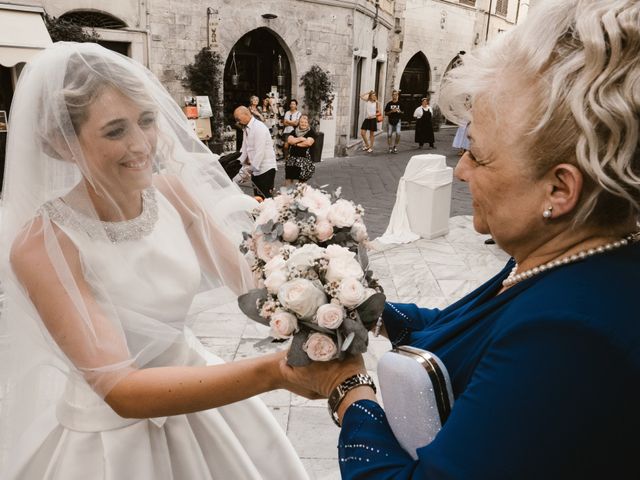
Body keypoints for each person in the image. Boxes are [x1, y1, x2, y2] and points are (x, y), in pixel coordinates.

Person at [281, 0, 640, 478]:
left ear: (559, 189)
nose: (463, 171)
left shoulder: (571, 334)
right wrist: (367, 308)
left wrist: (347, 389)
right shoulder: (567, 257)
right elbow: (467, 330)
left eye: (479, 155)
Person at [0, 42, 310, 479]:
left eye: (146, 121)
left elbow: (250, 283)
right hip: (113, 442)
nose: (140, 144)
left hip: (203, 399)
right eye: (114, 131)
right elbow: (121, 389)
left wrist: (321, 291)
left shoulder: (170, 193)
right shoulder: (42, 244)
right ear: (62, 144)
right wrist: (275, 372)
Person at [234, 105, 278, 199]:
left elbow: (260, 152)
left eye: (238, 118)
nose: (237, 121)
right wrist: (236, 164)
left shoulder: (259, 127)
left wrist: (250, 170)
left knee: (266, 198)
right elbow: (244, 149)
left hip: (266, 168)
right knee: (258, 198)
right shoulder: (245, 128)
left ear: (246, 114)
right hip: (255, 170)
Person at [284, 114, 316, 186]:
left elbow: (308, 143)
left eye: (305, 122)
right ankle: (288, 195)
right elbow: (289, 140)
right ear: (299, 122)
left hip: (304, 161)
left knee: (300, 183)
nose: (303, 124)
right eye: (301, 122)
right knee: (288, 180)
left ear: (308, 123)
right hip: (291, 160)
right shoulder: (294, 131)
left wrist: (295, 143)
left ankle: (299, 196)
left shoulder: (311, 132)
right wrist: (301, 139)